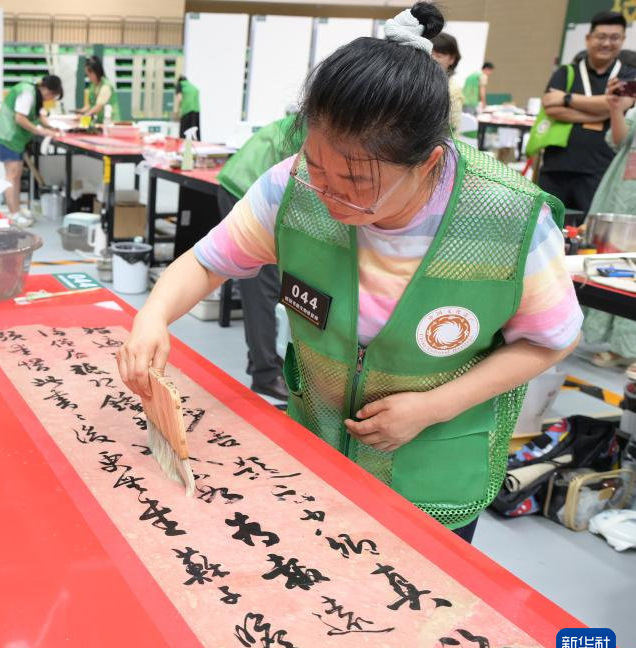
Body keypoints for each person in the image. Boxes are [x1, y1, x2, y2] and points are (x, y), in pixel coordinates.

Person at [117, 3, 582, 544]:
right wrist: (153, 317)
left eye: (356, 181)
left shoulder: (507, 218)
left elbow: (550, 340)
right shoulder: (292, 186)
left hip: (431, 473)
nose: (327, 193)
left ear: (428, 164)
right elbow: (205, 262)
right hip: (313, 451)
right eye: (317, 167)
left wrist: (434, 406)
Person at [216, 110, 305, 402]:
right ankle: (265, 374)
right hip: (247, 189)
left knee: (266, 283)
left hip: (243, 180)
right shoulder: (323, 128)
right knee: (261, 285)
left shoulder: (315, 118)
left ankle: (261, 360)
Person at [538, 11, 636, 219]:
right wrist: (603, 113)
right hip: (557, 167)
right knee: (545, 226)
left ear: (623, 40)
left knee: (590, 231)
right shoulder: (565, 72)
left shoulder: (628, 75)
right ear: (588, 38)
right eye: (601, 37)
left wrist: (567, 98)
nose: (607, 43)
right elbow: (551, 108)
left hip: (600, 171)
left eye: (614, 37)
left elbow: (623, 104)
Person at [580, 77, 636, 371]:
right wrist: (616, 108)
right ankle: (620, 346)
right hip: (624, 191)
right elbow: (619, 141)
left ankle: (629, 347)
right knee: (618, 260)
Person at [0, 76, 63, 227]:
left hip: (16, 138)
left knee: (17, 174)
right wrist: (40, 131)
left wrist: (50, 127)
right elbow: (20, 118)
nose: (50, 99)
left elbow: (38, 115)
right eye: (52, 96)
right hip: (7, 135)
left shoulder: (35, 93)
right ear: (47, 90)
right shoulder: (27, 93)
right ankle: (13, 214)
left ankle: (16, 209)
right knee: (12, 174)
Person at [431, 32, 464, 132]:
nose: (432, 59)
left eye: (439, 56)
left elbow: (452, 125)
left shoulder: (452, 89)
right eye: (430, 53)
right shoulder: (420, 80)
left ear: (452, 59)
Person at [76, 56, 119, 121]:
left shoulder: (106, 86)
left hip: (110, 122)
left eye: (90, 74)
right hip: (100, 121)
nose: (89, 77)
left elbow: (99, 106)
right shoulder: (93, 85)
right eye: (87, 75)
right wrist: (81, 111)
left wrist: (84, 117)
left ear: (97, 71)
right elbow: (90, 105)